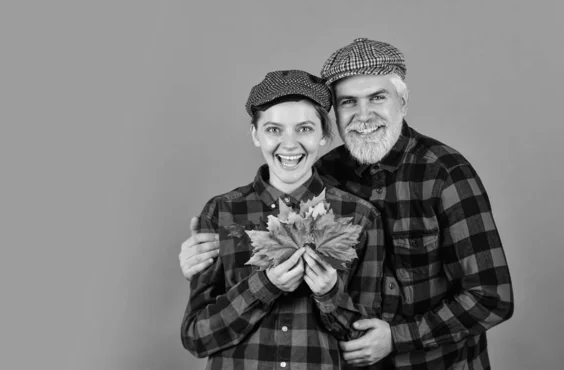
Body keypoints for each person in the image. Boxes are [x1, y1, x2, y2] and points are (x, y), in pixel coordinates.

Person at [179, 39, 514, 369]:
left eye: (377, 97)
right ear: (334, 116)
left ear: (403, 102)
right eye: (349, 102)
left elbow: (491, 296)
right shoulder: (322, 174)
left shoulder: (444, 172)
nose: (363, 115)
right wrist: (205, 256)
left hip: (435, 362)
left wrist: (398, 337)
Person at [180, 70, 386, 370]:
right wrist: (263, 286)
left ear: (324, 135)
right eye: (274, 130)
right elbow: (196, 337)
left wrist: (330, 296)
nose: (289, 144)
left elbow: (366, 343)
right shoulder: (223, 212)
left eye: (304, 128)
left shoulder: (359, 217)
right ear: (255, 134)